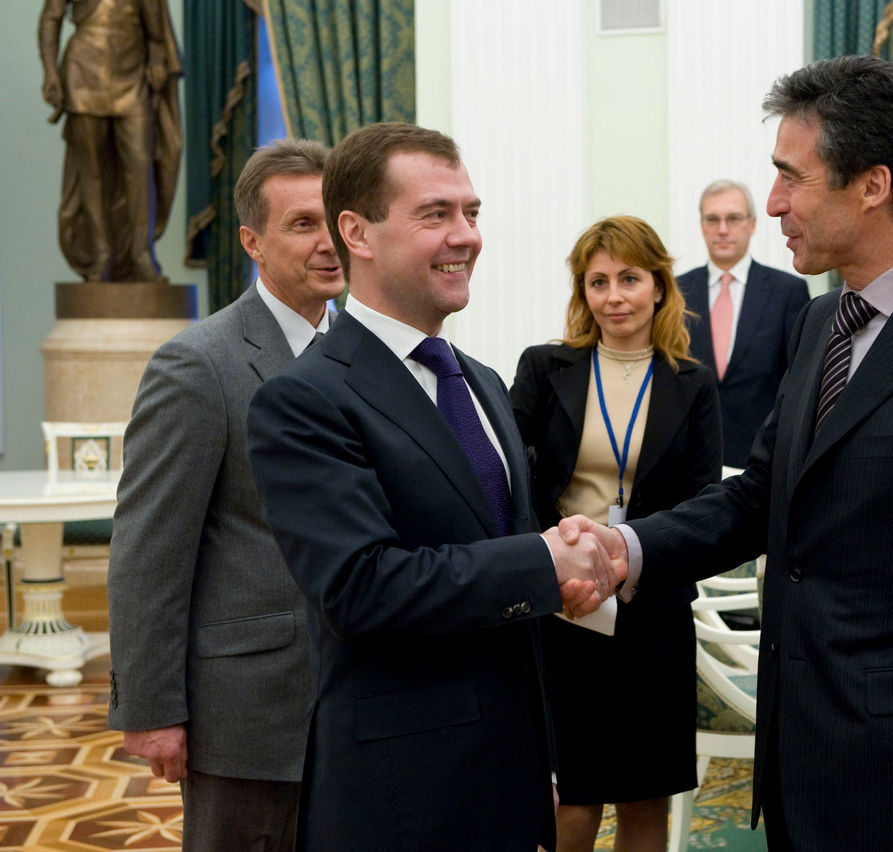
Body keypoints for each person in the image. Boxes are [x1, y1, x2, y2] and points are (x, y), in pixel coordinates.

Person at [562, 55, 893, 851]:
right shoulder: (822, 322)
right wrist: (626, 546)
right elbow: (763, 494)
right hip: (804, 762)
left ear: (872, 184)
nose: (771, 203)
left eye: (790, 176)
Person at [245, 122, 619, 852]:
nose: (466, 236)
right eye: (435, 215)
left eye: (471, 213)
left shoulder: (477, 379)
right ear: (356, 231)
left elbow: (501, 544)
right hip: (399, 798)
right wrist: (544, 562)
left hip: (508, 781)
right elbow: (361, 588)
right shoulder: (306, 399)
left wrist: (570, 563)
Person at [107, 138, 343, 851]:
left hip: (360, 701)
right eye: (303, 224)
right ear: (252, 241)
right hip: (248, 714)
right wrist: (151, 711)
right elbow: (149, 551)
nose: (329, 240)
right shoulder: (197, 364)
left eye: (338, 218)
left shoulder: (366, 354)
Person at [510, 216, 722, 851]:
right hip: (566, 607)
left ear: (659, 285)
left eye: (629, 279)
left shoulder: (692, 382)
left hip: (649, 610)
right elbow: (515, 483)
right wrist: (552, 565)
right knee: (572, 801)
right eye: (597, 282)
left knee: (643, 798)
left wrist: (636, 564)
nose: (614, 296)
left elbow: (705, 501)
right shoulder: (547, 368)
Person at [38, 0, 182, 282]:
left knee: (141, 167)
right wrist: (50, 71)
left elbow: (155, 25)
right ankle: (101, 253)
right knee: (91, 172)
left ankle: (142, 254)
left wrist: (157, 57)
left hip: (132, 74)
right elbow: (50, 18)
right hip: (83, 72)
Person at [677, 180, 809, 467]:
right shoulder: (676, 293)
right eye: (712, 219)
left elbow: (799, 381)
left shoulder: (787, 291)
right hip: (688, 461)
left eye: (733, 219)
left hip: (762, 460)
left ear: (751, 224)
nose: (722, 229)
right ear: (702, 226)